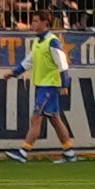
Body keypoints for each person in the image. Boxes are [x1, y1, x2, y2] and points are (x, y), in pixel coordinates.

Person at [17, 20, 70, 163]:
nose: (33, 24)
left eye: (35, 21)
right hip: (42, 85)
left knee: (36, 118)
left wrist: (65, 84)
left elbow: (62, 63)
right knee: (55, 119)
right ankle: (69, 152)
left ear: (45, 22)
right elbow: (29, 61)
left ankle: (24, 151)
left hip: (50, 86)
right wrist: (14, 72)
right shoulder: (38, 43)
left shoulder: (53, 42)